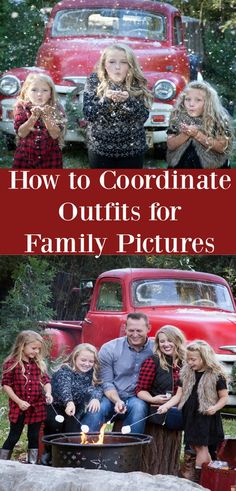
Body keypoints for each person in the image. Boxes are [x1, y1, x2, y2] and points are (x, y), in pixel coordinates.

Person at [157, 340, 228, 482]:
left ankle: (197, 478)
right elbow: (179, 395)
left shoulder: (215, 375)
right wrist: (166, 406)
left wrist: (214, 408)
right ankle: (207, 476)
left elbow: (224, 398)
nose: (189, 362)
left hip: (205, 416)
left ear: (205, 357)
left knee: (201, 447)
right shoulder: (187, 374)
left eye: (193, 359)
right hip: (190, 415)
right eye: (188, 359)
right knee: (197, 447)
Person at [81, 312, 154, 432]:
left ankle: (131, 448)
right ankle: (84, 446)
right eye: (131, 330)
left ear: (148, 328)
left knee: (138, 408)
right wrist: (117, 401)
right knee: (96, 410)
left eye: (139, 331)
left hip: (137, 398)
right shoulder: (110, 349)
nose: (135, 334)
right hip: (110, 396)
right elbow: (106, 382)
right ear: (125, 328)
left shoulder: (155, 349)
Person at [83, 43, 152, 168]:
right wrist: (106, 100)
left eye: (124, 62)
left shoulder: (137, 82)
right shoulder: (94, 80)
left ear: (131, 65)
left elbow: (143, 117)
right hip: (100, 149)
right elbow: (89, 114)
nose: (118, 67)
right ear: (104, 64)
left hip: (132, 149)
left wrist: (128, 101)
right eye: (112, 62)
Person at [42, 343, 103, 465]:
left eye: (91, 361)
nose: (87, 364)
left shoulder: (91, 373)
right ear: (75, 358)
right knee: (55, 424)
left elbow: (98, 387)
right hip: (57, 405)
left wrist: (95, 398)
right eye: (83, 360)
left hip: (75, 406)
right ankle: (49, 452)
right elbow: (65, 388)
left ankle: (68, 456)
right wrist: (69, 402)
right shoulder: (65, 370)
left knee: (71, 431)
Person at [0, 330, 52, 464]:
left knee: (33, 436)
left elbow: (46, 381)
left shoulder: (38, 363)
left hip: (37, 406)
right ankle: (3, 463)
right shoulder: (12, 363)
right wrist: (18, 401)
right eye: (33, 348)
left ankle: (32, 465)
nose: (36, 352)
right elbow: (6, 385)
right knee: (14, 436)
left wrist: (48, 393)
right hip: (19, 407)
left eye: (38, 349)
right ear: (22, 346)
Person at [166, 80, 234, 169]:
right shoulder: (177, 117)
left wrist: (197, 135)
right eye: (187, 99)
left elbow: (222, 147)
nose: (191, 104)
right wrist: (186, 134)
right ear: (183, 101)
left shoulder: (218, 119)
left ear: (208, 102)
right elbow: (170, 145)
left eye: (198, 100)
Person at [13, 73, 66, 169]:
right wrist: (34, 117)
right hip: (25, 156)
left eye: (45, 90)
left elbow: (55, 134)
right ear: (26, 91)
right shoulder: (21, 107)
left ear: (50, 93)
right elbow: (21, 133)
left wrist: (46, 116)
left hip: (51, 156)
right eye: (34, 90)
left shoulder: (56, 107)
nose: (39, 94)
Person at [136, 324, 186, 406]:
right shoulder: (152, 362)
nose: (166, 344)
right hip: (161, 410)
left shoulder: (188, 361)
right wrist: (153, 399)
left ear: (178, 340)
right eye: (162, 341)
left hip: (186, 408)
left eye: (170, 340)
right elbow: (140, 390)